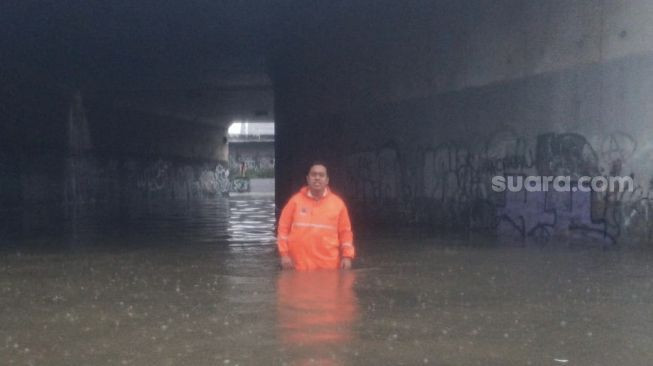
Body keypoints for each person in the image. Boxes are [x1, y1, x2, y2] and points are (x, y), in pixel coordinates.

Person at [277, 162, 354, 270]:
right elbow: (283, 228)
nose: (317, 178)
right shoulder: (294, 202)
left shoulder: (338, 204)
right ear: (308, 179)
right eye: (313, 174)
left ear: (327, 180)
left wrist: (347, 256)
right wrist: (284, 254)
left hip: (328, 267)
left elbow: (345, 232)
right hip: (298, 266)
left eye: (321, 175)